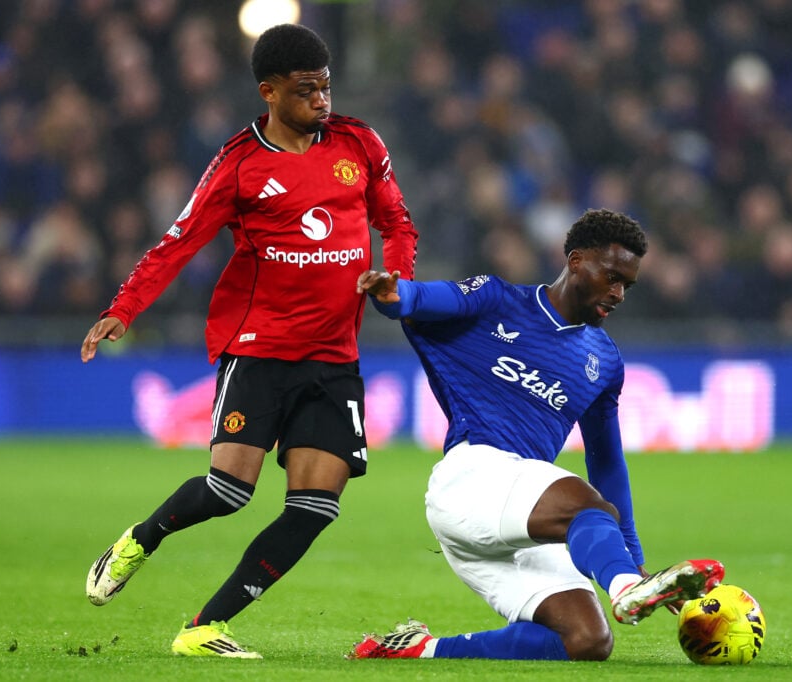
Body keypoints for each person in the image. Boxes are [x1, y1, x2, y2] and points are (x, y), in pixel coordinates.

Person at [81, 23, 418, 657]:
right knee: (229, 491)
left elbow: (396, 220)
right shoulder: (239, 165)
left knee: (316, 507)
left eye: (325, 87)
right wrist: (123, 309)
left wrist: (396, 277)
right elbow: (179, 240)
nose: (321, 101)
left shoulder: (359, 144)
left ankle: (203, 628)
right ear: (269, 92)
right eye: (305, 90)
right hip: (259, 347)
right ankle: (141, 540)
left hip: (334, 355)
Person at [348, 209, 723, 661]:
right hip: (470, 481)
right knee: (583, 503)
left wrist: (631, 557)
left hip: (521, 515)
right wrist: (393, 294)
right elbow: (420, 299)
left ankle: (417, 650)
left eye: (627, 284)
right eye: (611, 277)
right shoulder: (497, 300)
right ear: (576, 260)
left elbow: (606, 461)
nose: (618, 293)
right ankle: (627, 589)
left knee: (587, 640)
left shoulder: (603, 361)